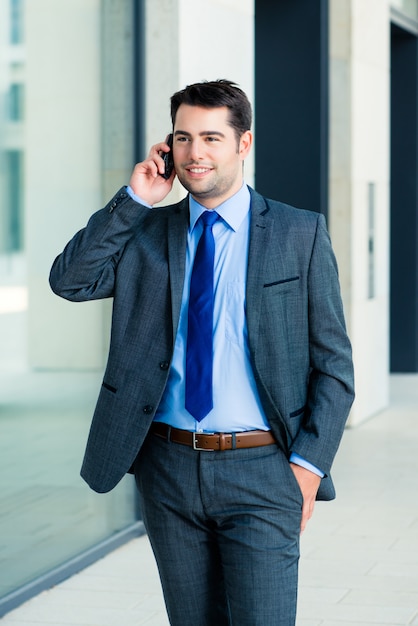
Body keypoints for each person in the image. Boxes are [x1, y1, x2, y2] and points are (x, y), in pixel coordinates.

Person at [49, 79, 354, 626]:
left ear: (244, 143)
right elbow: (70, 281)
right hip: (167, 467)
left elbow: (333, 366)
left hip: (263, 470)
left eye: (212, 137)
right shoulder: (145, 234)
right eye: (183, 138)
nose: (196, 153)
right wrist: (136, 200)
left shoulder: (298, 233)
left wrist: (306, 469)